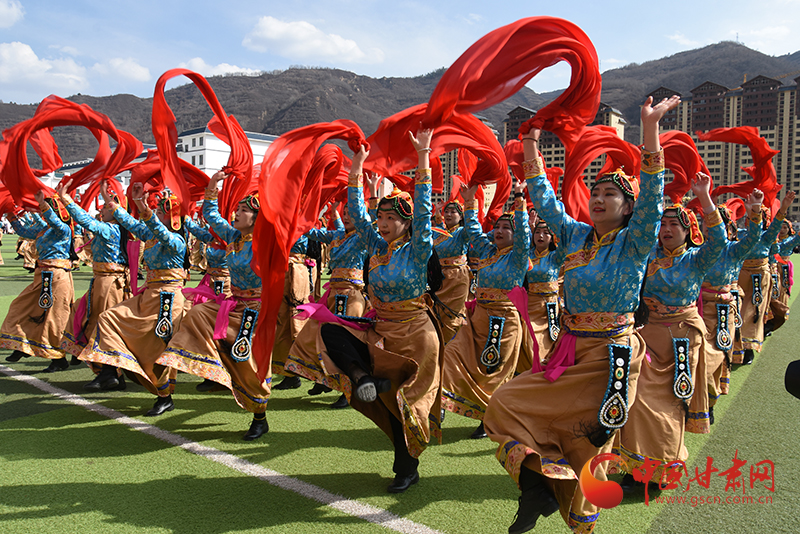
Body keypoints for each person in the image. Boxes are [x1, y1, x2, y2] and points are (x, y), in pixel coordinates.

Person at [484, 95, 679, 534]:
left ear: (628, 208)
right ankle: (536, 489)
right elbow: (544, 199)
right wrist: (530, 144)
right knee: (504, 403)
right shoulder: (573, 236)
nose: (599, 198)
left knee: (588, 449)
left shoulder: (635, 242)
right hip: (569, 353)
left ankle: (571, 517)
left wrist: (650, 129)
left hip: (612, 357)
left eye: (611, 194)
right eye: (595, 193)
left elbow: (653, 195)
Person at [316, 129, 443, 493]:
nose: (383, 223)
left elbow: (423, 207)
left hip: (416, 334)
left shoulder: (418, 249)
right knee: (328, 329)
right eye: (381, 217)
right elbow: (357, 213)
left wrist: (423, 156)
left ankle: (406, 468)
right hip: (382, 329)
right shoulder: (375, 245)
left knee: (406, 407)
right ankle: (362, 378)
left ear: (407, 223)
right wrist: (357, 164)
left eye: (390, 218)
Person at [617, 172, 726, 492]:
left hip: (681, 339)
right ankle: (636, 466)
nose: (666, 230)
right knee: (636, 398)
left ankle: (661, 470)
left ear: (688, 231)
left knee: (670, 403)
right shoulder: (647, 256)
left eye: (674, 225)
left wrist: (704, 197)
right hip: (646, 336)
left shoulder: (696, 260)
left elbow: (718, 242)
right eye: (662, 224)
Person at [156, 177, 270, 440]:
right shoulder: (232, 236)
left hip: (256, 310)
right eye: (237, 209)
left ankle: (260, 417)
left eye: (244, 210)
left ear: (256, 217)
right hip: (234, 303)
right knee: (197, 312)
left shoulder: (265, 241)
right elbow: (211, 214)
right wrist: (213, 186)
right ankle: (213, 368)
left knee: (246, 360)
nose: (237, 214)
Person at [79, 182, 189, 416]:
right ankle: (112, 369)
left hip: (167, 300)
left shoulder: (176, 242)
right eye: (155, 210)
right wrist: (109, 199)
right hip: (148, 295)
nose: (156, 213)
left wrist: (143, 207)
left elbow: (160, 232)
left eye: (160, 211)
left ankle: (165, 397)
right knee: (108, 318)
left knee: (156, 350)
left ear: (172, 218)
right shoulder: (150, 235)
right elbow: (128, 221)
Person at [440, 180, 530, 440]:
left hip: (503, 322)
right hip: (477, 318)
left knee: (494, 371)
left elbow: (525, 235)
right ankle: (441, 402)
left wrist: (519, 198)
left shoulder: (518, 256)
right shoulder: (487, 251)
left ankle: (489, 417)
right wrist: (470, 201)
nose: (499, 231)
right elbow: (473, 230)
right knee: (451, 354)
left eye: (506, 228)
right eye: (498, 227)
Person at [284, 200, 369, 409]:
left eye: (352, 213)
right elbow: (311, 232)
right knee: (314, 335)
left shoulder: (363, 236)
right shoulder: (337, 235)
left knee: (346, 342)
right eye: (345, 212)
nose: (347, 216)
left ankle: (349, 389)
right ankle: (325, 379)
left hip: (351, 295)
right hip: (333, 295)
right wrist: (296, 213)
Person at [699, 192, 771, 421]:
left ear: (726, 228)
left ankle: (708, 400)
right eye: (706, 223)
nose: (709, 227)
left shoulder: (734, 250)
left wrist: (755, 210)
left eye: (715, 223)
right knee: (694, 359)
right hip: (695, 311)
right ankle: (698, 401)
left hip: (722, 310)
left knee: (712, 358)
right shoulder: (695, 251)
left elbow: (754, 238)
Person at [57, 180, 132, 390]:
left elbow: (86, 221)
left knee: (104, 326)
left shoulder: (112, 229)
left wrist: (66, 199)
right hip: (103, 281)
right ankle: (110, 373)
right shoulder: (113, 229)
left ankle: (109, 373)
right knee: (91, 321)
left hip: (109, 283)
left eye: (105, 207)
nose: (101, 210)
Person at [1, 191, 74, 371]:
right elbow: (23, 231)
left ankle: (58, 358)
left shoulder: (63, 230)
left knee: (55, 317)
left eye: (49, 210)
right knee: (21, 306)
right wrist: (10, 212)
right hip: (42, 276)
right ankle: (22, 343)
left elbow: (56, 222)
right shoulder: (45, 229)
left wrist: (42, 204)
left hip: (57, 277)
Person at [736, 202, 787, 364]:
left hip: (759, 278)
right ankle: (736, 346)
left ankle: (749, 347)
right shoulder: (739, 235)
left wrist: (784, 207)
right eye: (749, 216)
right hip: (741, 276)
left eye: (756, 216)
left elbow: (777, 223)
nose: (751, 219)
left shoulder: (767, 236)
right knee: (738, 310)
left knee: (753, 312)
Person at [517, 215, 565, 374]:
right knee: (528, 339)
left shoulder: (555, 257)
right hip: (530, 305)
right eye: (537, 232)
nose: (541, 236)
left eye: (546, 233)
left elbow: (566, 243)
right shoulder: (527, 255)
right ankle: (528, 372)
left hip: (548, 308)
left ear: (552, 238)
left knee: (547, 340)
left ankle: (543, 371)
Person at [432, 199, 471, 344]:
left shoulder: (462, 233)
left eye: (453, 212)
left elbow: (471, 227)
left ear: (461, 217)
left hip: (457, 277)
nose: (448, 214)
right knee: (436, 311)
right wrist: (437, 211)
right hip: (438, 277)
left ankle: (452, 345)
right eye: (446, 211)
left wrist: (470, 203)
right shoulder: (438, 232)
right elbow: (438, 224)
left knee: (452, 314)